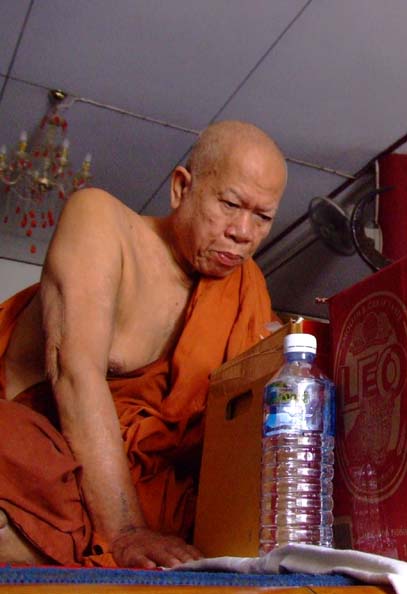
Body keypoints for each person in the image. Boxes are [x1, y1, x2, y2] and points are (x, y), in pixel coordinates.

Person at [0, 120, 287, 568]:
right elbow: (75, 375)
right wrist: (127, 532)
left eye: (262, 217)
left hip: (153, 495)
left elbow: (236, 436)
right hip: (49, 461)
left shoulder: (245, 290)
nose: (243, 232)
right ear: (181, 188)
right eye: (230, 205)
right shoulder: (102, 223)